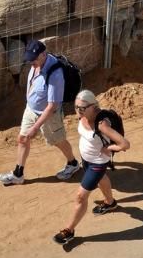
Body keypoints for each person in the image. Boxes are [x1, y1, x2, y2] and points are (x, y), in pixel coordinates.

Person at [0, 39, 80, 186]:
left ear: (43, 54)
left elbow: (53, 105)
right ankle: (18, 174)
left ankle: (73, 163)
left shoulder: (55, 73)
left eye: (34, 59)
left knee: (58, 141)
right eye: (29, 59)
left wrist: (36, 128)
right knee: (22, 138)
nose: (31, 63)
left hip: (49, 115)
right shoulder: (36, 63)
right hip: (31, 109)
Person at [52, 89, 130, 245]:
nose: (78, 111)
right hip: (86, 160)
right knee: (102, 179)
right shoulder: (83, 115)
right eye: (76, 107)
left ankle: (69, 230)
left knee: (81, 196)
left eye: (82, 108)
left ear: (93, 106)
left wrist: (108, 149)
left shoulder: (102, 124)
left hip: (97, 163)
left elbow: (125, 144)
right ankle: (110, 203)